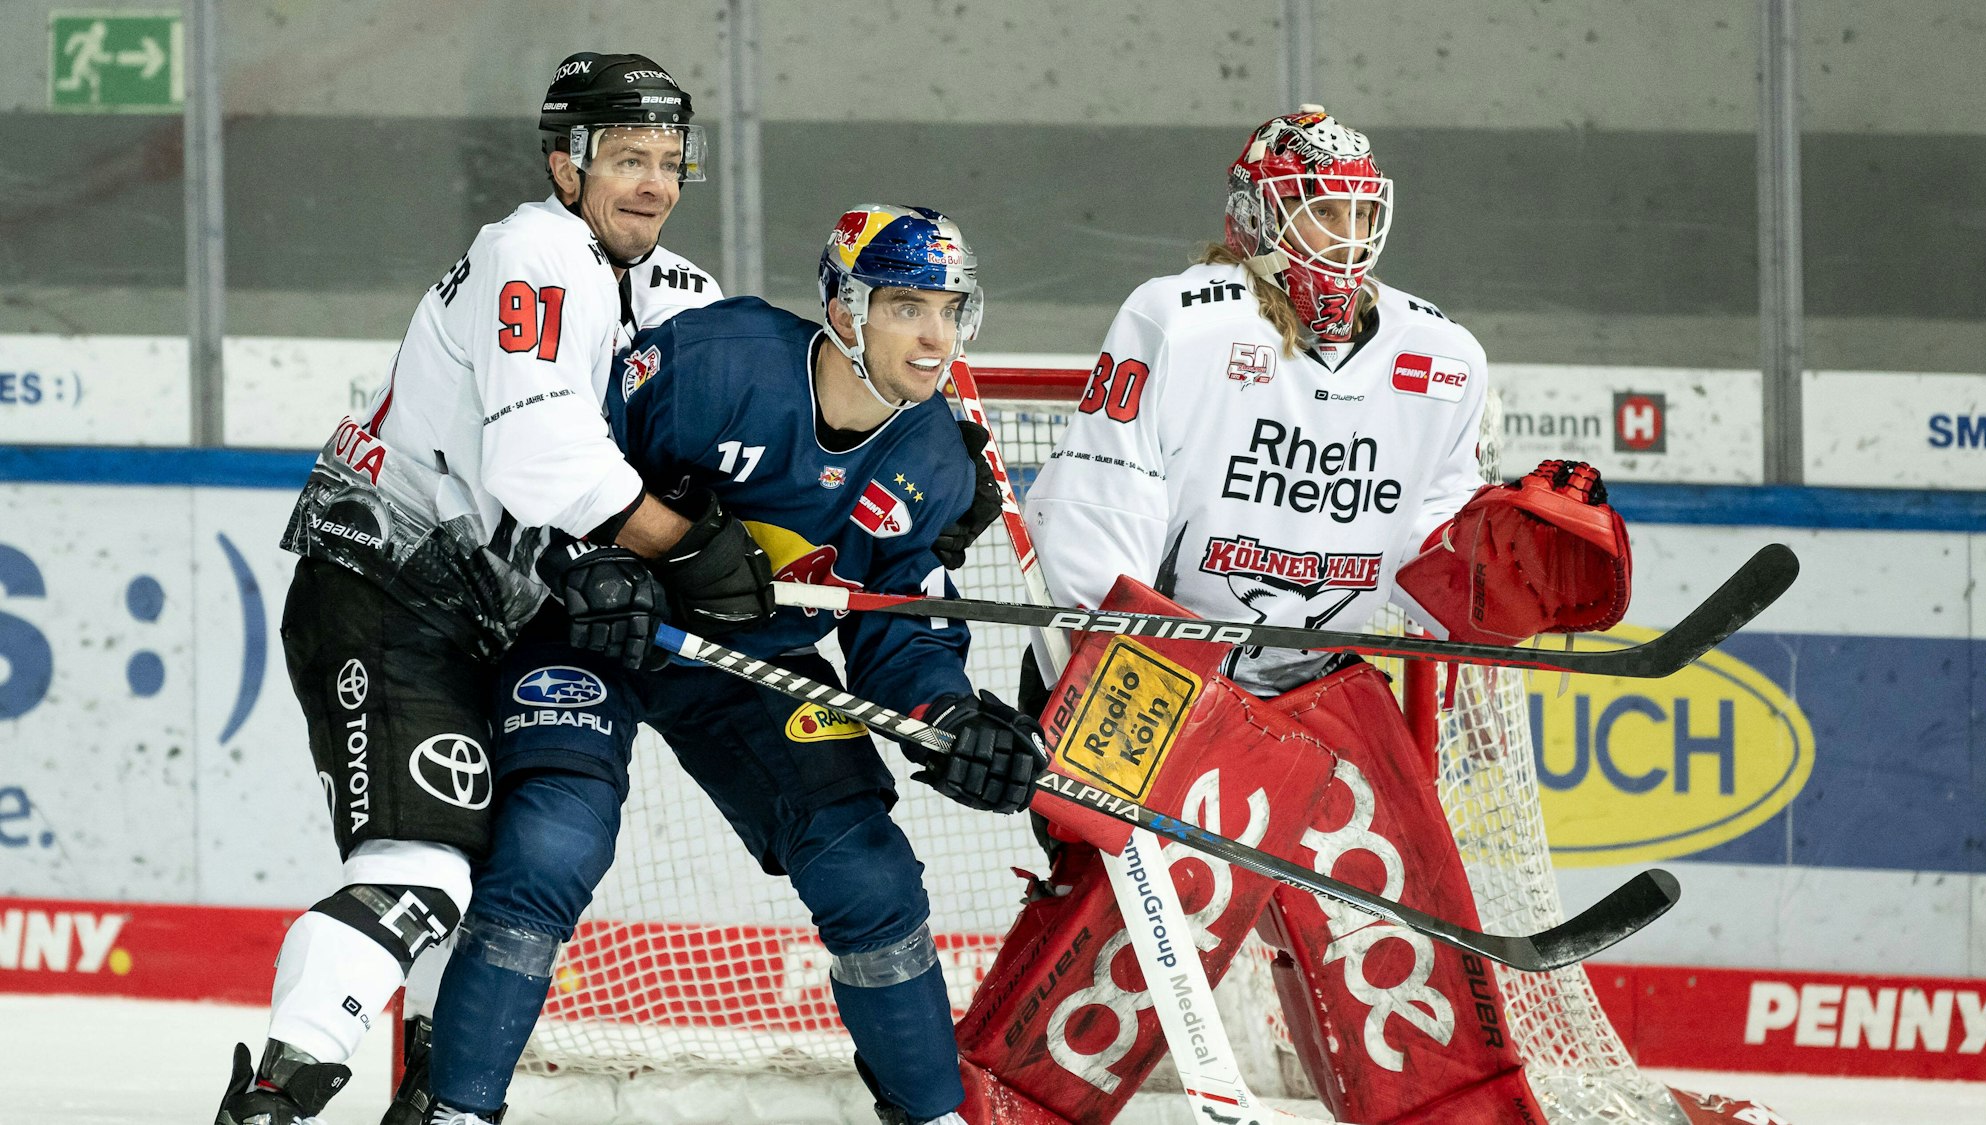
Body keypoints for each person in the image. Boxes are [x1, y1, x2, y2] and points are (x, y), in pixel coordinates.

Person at [1011, 106, 1633, 1123]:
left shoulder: (1439, 357)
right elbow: (1101, 496)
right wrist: (1119, 681)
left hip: (1316, 682)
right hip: (1162, 672)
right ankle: (1005, 1106)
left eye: (1354, 214)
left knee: (1403, 942)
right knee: (1107, 965)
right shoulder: (1180, 317)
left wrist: (1498, 547)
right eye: (1316, 212)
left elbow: (1425, 552)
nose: (1340, 239)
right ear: (1254, 215)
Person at [212, 51, 776, 1125]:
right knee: (422, 864)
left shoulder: (670, 291)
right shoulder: (533, 250)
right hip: (384, 585)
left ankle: (431, 1094)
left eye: (669, 162)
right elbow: (542, 465)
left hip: (489, 614)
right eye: (625, 159)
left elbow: (724, 435)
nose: (652, 183)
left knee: (485, 881)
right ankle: (278, 1098)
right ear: (566, 166)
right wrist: (675, 543)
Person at [408, 205, 1046, 1125]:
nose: (936, 335)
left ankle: (932, 1116)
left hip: (748, 665)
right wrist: (589, 569)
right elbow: (557, 460)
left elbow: (896, 629)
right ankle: (456, 1111)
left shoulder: (937, 462)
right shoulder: (718, 359)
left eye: (952, 309)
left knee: (870, 873)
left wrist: (949, 716)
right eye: (906, 305)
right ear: (843, 306)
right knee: (549, 847)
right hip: (598, 634)